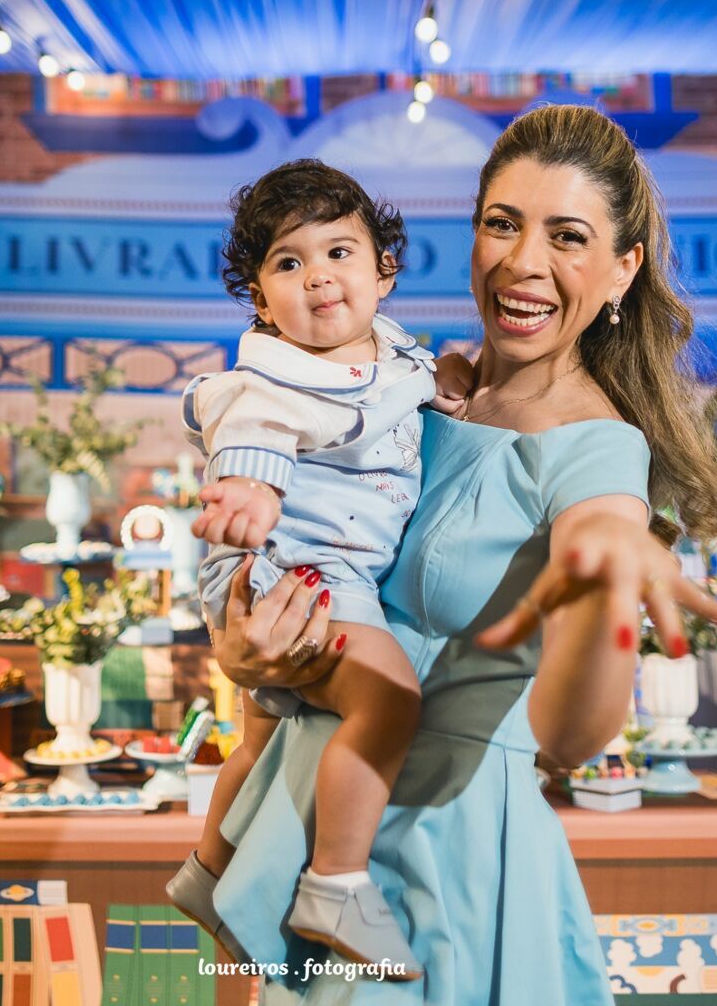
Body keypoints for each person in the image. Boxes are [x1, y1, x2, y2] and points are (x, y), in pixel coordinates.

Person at [203, 104, 717, 1002]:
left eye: (567, 236)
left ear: (623, 270)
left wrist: (609, 573)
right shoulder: (409, 388)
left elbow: (572, 733)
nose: (523, 261)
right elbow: (309, 554)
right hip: (312, 833)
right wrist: (244, 655)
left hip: (440, 857)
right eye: (502, 223)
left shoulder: (598, 450)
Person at [167, 160, 471, 979]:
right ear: (262, 302)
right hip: (295, 571)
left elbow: (413, 386)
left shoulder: (391, 350)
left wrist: (452, 384)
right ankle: (335, 881)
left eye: (339, 252)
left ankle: (208, 869)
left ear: (384, 270)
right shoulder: (272, 375)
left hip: (319, 572)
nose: (319, 278)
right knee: (388, 697)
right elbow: (250, 433)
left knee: (263, 736)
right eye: (288, 264)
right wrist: (252, 494)